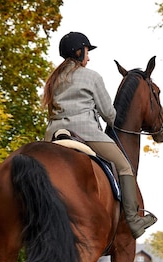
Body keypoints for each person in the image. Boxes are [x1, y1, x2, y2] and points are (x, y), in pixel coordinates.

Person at [41, 31, 156, 239]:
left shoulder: (54, 78)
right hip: (85, 133)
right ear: (78, 52)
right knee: (123, 165)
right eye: (87, 51)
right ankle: (134, 220)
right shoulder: (92, 76)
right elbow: (109, 114)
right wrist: (111, 117)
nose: (89, 56)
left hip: (54, 136)